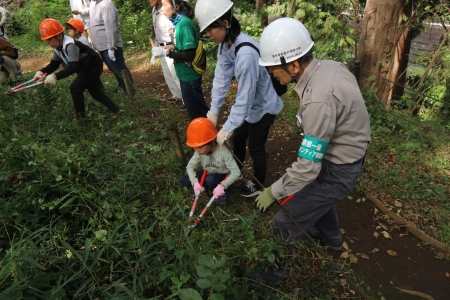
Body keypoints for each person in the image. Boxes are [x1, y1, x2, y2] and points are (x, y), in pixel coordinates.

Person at [250, 17, 371, 288]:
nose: (272, 75)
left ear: (292, 65)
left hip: (338, 168)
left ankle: (269, 278)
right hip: (347, 154)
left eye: (273, 70)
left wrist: (275, 192)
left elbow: (307, 167)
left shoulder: (318, 97)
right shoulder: (330, 67)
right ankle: (331, 239)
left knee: (285, 219)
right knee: (314, 195)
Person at [194, 0, 283, 197]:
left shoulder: (246, 54)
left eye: (211, 29)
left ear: (225, 22)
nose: (208, 34)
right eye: (206, 30)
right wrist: (213, 113)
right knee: (239, 137)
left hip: (264, 106)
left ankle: (258, 183)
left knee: (255, 146)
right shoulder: (225, 46)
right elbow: (221, 79)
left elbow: (245, 98)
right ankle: (236, 171)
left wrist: (226, 129)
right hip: (250, 106)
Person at [36, 18, 120, 120]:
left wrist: (55, 76)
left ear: (59, 36)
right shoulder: (58, 47)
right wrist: (41, 71)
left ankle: (81, 117)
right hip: (84, 67)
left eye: (49, 39)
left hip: (92, 66)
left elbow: (73, 67)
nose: (48, 43)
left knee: (75, 88)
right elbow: (54, 64)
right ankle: (116, 110)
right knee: (95, 92)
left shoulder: (70, 45)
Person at [152, 0, 208, 119]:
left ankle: (207, 134)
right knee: (193, 109)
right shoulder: (178, 23)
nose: (162, 9)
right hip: (184, 74)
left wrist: (167, 53)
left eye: (165, 5)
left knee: (197, 111)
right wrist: (169, 47)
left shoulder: (184, 24)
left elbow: (189, 55)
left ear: (176, 6)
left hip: (190, 76)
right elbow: (181, 46)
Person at [181, 117, 241, 203]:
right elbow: (190, 167)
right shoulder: (199, 152)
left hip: (222, 174)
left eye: (200, 147)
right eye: (195, 147)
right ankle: (205, 185)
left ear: (211, 142)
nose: (197, 150)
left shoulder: (223, 152)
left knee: (210, 179)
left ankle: (223, 191)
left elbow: (236, 172)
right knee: (185, 181)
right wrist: (195, 183)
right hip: (209, 171)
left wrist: (223, 185)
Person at [90, 0, 134, 93]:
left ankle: (130, 91)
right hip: (102, 46)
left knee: (120, 69)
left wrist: (111, 46)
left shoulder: (106, 4)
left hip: (110, 46)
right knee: (113, 68)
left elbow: (111, 28)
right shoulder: (93, 4)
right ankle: (122, 86)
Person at [148, 0, 183, 106]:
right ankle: (177, 96)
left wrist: (175, 46)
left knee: (176, 74)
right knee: (168, 75)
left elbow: (175, 30)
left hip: (171, 46)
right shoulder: (154, 10)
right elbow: (156, 30)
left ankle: (186, 100)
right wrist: (156, 49)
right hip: (161, 47)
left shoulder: (168, 9)